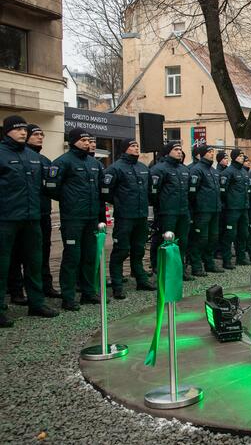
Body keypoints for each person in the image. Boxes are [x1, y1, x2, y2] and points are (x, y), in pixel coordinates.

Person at [0, 116, 60, 326]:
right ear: (7, 131)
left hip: (32, 218)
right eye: (17, 130)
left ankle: (36, 303)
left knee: (34, 262)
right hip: (6, 219)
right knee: (3, 264)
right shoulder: (1, 154)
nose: (23, 133)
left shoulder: (33, 157)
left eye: (25, 130)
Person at [46, 128, 103, 311]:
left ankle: (88, 293)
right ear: (73, 141)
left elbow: (101, 187)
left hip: (91, 216)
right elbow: (52, 188)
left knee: (89, 255)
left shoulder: (94, 163)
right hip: (73, 218)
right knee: (72, 257)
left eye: (88, 140)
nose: (87, 143)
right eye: (82, 140)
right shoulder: (62, 162)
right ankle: (68, 297)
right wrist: (69, 201)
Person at [102, 139, 155, 299]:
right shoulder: (115, 168)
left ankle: (141, 280)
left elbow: (149, 190)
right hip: (124, 216)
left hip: (141, 216)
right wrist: (119, 202)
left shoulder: (143, 168)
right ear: (125, 149)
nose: (136, 148)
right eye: (133, 146)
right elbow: (106, 191)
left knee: (138, 249)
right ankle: (117, 285)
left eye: (137, 145)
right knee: (121, 251)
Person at [149, 142, 194, 281]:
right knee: (166, 241)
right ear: (168, 152)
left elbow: (189, 191)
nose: (179, 152)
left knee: (182, 241)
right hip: (167, 212)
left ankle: (179, 269)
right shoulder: (159, 169)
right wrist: (161, 207)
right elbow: (153, 193)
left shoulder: (184, 169)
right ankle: (163, 268)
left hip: (183, 211)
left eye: (180, 149)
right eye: (176, 150)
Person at [188, 145, 224, 276]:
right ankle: (196, 266)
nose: (212, 154)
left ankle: (209, 263)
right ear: (202, 154)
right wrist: (196, 207)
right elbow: (192, 192)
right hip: (202, 210)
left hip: (214, 209)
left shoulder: (214, 171)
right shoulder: (197, 170)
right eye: (209, 152)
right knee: (200, 239)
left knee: (213, 238)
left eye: (213, 152)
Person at [220, 149, 251, 269]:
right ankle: (227, 260)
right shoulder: (228, 172)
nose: (242, 158)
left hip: (243, 207)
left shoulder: (244, 172)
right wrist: (228, 203)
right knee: (229, 235)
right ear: (234, 157)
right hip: (232, 208)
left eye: (242, 156)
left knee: (243, 233)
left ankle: (241, 258)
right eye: (239, 156)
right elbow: (223, 191)